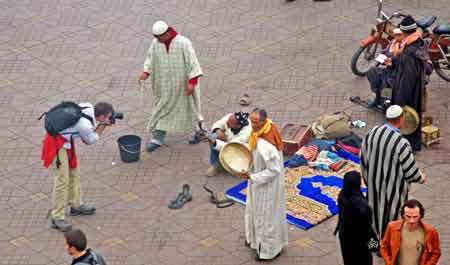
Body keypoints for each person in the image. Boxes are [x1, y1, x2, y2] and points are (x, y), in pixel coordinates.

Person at [41, 102, 115, 232]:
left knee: (74, 173)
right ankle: (57, 217)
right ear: (102, 116)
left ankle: (76, 204)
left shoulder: (87, 106)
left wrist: (102, 123)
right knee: (62, 180)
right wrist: (103, 126)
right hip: (56, 145)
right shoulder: (85, 125)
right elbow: (89, 140)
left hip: (65, 141)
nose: (110, 118)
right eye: (108, 116)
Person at [360, 105, 426, 241]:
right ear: (401, 119)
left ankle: (375, 246)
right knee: (392, 221)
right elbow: (411, 172)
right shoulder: (402, 143)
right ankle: (389, 250)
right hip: (393, 193)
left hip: (374, 188)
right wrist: (421, 177)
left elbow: (362, 158)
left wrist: (369, 180)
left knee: (375, 219)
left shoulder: (372, 133)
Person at [138, 20, 204, 152]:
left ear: (167, 32)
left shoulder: (183, 43)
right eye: (155, 37)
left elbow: (193, 63)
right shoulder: (156, 43)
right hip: (164, 86)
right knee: (161, 109)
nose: (158, 40)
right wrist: (146, 72)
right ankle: (157, 138)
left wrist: (192, 83)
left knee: (190, 108)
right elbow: (150, 58)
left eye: (160, 37)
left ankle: (199, 131)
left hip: (183, 86)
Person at [239, 108, 288, 261]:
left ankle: (268, 252)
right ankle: (255, 241)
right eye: (251, 121)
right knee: (256, 213)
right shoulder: (261, 131)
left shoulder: (266, 145)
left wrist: (253, 177)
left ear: (263, 121)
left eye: (255, 122)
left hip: (266, 186)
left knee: (265, 218)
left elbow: (275, 170)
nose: (252, 124)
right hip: (257, 182)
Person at [391, 15, 431, 152]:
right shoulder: (419, 41)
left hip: (408, 92)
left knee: (407, 119)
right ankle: (412, 144)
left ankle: (407, 147)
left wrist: (400, 102)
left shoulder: (409, 53)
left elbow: (407, 80)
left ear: (405, 32)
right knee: (414, 116)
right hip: (416, 88)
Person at [381, 199, 441, 265]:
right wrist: (389, 262)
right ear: (403, 215)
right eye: (408, 216)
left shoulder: (430, 231)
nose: (411, 221)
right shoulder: (392, 227)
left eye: (415, 217)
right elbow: (384, 246)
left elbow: (436, 253)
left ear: (421, 215)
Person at [334, 171, 373, 265]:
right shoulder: (361, 205)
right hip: (361, 240)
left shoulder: (342, 195)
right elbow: (367, 228)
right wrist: (374, 244)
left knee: (349, 260)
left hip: (345, 236)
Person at [366, 28, 404, 108]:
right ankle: (377, 96)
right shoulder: (393, 43)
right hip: (389, 70)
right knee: (372, 72)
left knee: (386, 83)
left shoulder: (405, 47)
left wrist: (392, 59)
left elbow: (400, 62)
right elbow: (384, 52)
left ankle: (386, 104)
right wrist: (382, 58)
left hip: (398, 73)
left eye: (399, 35)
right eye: (396, 35)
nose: (397, 37)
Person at [206, 112, 251, 176]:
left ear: (238, 125)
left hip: (239, 149)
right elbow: (220, 123)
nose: (226, 123)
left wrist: (216, 143)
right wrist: (217, 130)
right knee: (213, 136)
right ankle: (216, 165)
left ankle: (234, 166)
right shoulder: (231, 117)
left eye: (229, 123)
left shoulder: (245, 134)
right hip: (228, 139)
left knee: (214, 142)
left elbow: (232, 147)